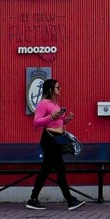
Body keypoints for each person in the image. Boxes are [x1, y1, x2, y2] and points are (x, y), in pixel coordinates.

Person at [27, 79, 83, 212]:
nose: (60, 89)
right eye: (57, 87)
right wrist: (51, 116)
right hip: (49, 139)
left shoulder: (55, 104)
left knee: (46, 170)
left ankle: (33, 199)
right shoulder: (43, 103)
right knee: (60, 169)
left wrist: (65, 119)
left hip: (56, 138)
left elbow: (57, 122)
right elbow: (36, 122)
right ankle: (70, 200)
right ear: (51, 89)